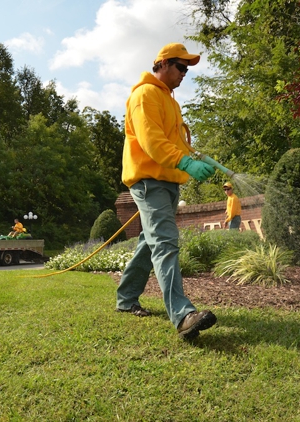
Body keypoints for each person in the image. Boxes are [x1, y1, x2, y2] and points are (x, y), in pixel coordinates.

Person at [116, 43, 217, 340]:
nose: (185, 73)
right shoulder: (144, 95)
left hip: (168, 180)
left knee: (150, 241)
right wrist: (183, 160)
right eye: (180, 66)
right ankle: (183, 314)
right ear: (161, 64)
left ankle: (126, 298)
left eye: (187, 69)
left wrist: (193, 158)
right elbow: (151, 140)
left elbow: (175, 142)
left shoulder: (171, 102)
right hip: (149, 180)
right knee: (165, 242)